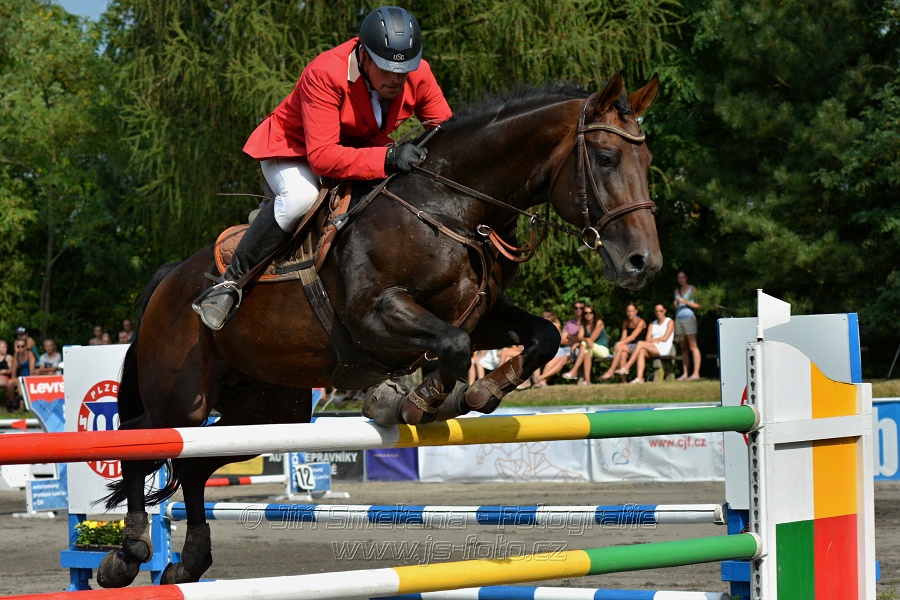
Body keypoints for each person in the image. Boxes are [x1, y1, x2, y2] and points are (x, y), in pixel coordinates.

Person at [194, 6, 453, 330]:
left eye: (403, 71)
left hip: (357, 149)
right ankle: (229, 284)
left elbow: (444, 129)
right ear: (364, 56)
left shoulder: (418, 72)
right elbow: (323, 157)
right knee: (301, 197)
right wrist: (387, 158)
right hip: (295, 151)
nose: (396, 80)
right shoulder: (326, 73)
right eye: (387, 70)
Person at [616, 304, 675, 384]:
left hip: (663, 347)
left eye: (661, 311)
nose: (658, 313)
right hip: (653, 346)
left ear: (664, 311)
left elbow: (665, 338)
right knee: (641, 351)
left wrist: (653, 339)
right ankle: (639, 378)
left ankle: (626, 367)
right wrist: (654, 340)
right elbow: (647, 339)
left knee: (640, 343)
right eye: (656, 311)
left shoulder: (669, 322)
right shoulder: (652, 324)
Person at [562, 305, 609, 385]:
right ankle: (587, 380)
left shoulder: (599, 323)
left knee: (584, 344)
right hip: (589, 348)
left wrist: (581, 341)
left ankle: (574, 371)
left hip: (602, 350)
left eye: (590, 312)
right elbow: (580, 337)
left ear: (594, 314)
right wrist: (583, 340)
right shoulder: (583, 324)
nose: (588, 314)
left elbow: (591, 339)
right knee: (586, 353)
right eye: (586, 313)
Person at [600, 304, 646, 382]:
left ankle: (611, 371)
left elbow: (632, 337)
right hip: (629, 347)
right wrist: (620, 344)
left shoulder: (641, 322)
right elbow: (624, 337)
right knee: (622, 353)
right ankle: (623, 381)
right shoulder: (625, 323)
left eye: (632, 311)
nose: (630, 313)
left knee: (620, 347)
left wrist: (619, 345)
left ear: (636, 311)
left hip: (639, 347)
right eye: (628, 311)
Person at [674, 270, 702, 380]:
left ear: (686, 278)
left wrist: (686, 302)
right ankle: (685, 373)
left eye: (682, 277)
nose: (681, 280)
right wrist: (676, 304)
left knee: (693, 346)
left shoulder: (692, 289)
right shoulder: (677, 291)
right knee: (683, 347)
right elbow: (677, 306)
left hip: (689, 318)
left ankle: (696, 373)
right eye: (679, 278)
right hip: (678, 319)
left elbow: (699, 305)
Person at [7, 337, 35, 411]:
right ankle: (12, 403)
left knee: (20, 383)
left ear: (26, 347)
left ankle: (21, 406)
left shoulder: (30, 354)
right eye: (18, 346)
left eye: (22, 346)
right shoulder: (16, 355)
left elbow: (31, 370)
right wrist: (13, 379)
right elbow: (14, 369)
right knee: (10, 383)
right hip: (21, 376)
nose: (20, 348)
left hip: (29, 376)